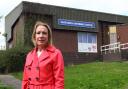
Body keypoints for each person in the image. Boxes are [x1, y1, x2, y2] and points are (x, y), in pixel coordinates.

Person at [22, 21, 64, 89]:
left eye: (44, 33)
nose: (41, 36)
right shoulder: (29, 55)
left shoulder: (56, 53)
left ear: (48, 36)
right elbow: (25, 79)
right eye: (38, 33)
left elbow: (59, 80)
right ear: (34, 36)